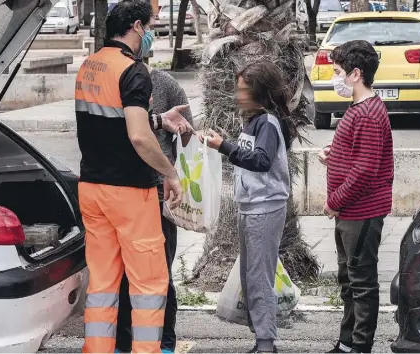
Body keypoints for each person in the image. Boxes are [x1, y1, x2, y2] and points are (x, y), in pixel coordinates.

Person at [74, 0, 192, 352]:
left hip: (92, 189)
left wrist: (159, 119)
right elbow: (139, 137)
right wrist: (169, 172)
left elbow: (114, 123)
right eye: (151, 25)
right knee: (148, 285)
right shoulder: (134, 70)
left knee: (104, 282)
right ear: (137, 27)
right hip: (129, 192)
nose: (151, 33)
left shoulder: (89, 66)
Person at [201, 60, 300, 354]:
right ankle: (261, 338)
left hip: (265, 208)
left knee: (258, 277)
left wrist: (224, 146)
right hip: (253, 207)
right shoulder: (256, 121)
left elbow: (261, 160)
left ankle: (266, 344)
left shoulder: (268, 123)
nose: (238, 95)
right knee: (251, 276)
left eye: (243, 89)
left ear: (259, 92)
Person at [318, 40, 393, 354]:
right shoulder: (360, 110)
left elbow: (364, 171)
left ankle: (360, 345)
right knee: (349, 279)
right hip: (350, 213)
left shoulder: (368, 114)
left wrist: (333, 202)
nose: (334, 78)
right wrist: (333, 155)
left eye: (338, 72)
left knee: (361, 283)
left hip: (360, 212)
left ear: (355, 74)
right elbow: (359, 155)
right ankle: (347, 341)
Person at [115, 64, 194, 354]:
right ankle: (124, 343)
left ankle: (165, 343)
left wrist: (182, 131)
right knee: (123, 273)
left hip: (160, 195)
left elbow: (189, 136)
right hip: (124, 193)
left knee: (161, 273)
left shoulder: (166, 84)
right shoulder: (113, 84)